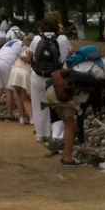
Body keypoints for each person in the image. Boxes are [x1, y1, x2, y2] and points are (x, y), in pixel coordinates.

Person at [29, 12, 72, 142]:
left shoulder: (36, 39)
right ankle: (57, 135)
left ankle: (41, 135)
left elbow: (30, 57)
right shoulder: (63, 39)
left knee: (39, 105)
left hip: (37, 76)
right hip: (57, 78)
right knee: (58, 105)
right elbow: (69, 54)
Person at [0, 38, 22, 121]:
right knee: (9, 90)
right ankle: (10, 115)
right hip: (6, 63)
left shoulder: (10, 42)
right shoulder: (22, 44)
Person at [7, 34, 34, 125]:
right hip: (25, 72)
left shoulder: (22, 49)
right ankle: (31, 118)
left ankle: (22, 118)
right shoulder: (32, 50)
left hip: (15, 69)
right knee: (25, 97)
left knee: (18, 95)